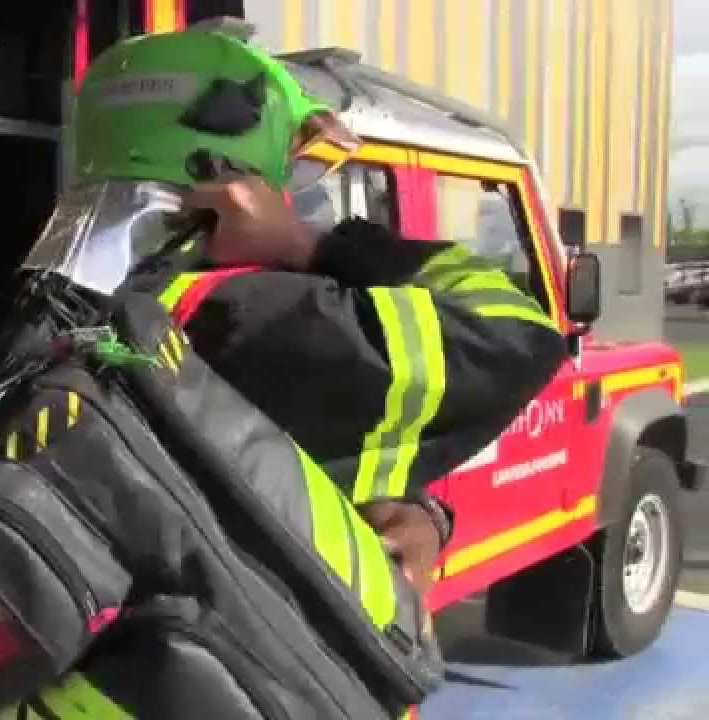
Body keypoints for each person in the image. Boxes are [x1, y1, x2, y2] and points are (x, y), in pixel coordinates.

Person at [63, 27, 569, 599]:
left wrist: (422, 510)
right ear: (232, 183)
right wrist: (310, 245)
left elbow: (318, 469)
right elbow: (518, 336)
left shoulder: (55, 314)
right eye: (280, 172)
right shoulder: (255, 318)